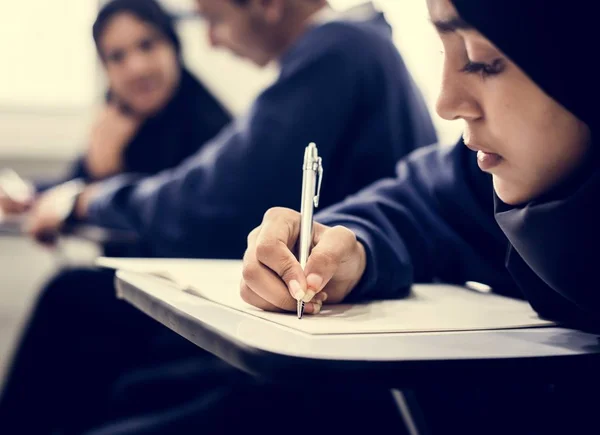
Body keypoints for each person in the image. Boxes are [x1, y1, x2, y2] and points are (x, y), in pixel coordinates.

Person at [0, 0, 436, 433]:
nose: (208, 39)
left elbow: (205, 203)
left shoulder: (339, 50)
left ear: (266, 5)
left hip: (334, 363)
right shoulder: (350, 50)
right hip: (321, 333)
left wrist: (89, 198)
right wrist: (59, 192)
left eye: (213, 20)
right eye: (116, 56)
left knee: (77, 313)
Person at [241, 0, 598, 432]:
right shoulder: (490, 172)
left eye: (483, 62)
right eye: (444, 52)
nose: (446, 103)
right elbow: (416, 202)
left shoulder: (341, 48)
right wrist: (351, 248)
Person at [0, 0, 231, 255]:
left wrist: (102, 179)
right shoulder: (121, 115)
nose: (137, 68)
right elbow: (75, 184)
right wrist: (29, 196)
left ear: (173, 46)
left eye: (147, 45)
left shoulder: (213, 130)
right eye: (117, 56)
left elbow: (171, 214)